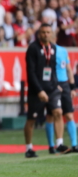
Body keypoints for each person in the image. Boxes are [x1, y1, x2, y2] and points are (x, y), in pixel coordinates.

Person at [24, 24, 62, 158]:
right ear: (39, 34)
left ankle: (59, 143)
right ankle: (29, 148)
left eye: (48, 32)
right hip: (37, 90)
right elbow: (31, 72)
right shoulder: (33, 48)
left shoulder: (53, 48)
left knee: (58, 112)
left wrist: (56, 84)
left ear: (51, 33)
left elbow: (52, 69)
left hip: (51, 88)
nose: (46, 35)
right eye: (43, 32)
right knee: (32, 119)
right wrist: (39, 90)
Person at [45, 44, 76, 153]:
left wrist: (72, 87)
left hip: (64, 84)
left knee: (68, 114)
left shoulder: (63, 50)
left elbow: (68, 69)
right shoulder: (45, 51)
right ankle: (51, 146)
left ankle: (75, 144)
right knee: (51, 115)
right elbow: (46, 69)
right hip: (52, 85)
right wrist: (49, 83)